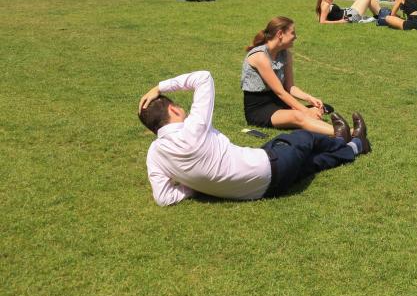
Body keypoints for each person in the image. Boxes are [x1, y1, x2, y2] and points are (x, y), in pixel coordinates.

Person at [137, 70, 369, 206]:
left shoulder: (155, 154)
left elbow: (163, 197)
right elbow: (204, 78)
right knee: (303, 138)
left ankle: (356, 146)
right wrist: (160, 87)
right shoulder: (192, 128)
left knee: (310, 164)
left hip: (263, 190)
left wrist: (195, 185)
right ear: (174, 111)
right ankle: (342, 140)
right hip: (267, 169)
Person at [242, 17, 337, 136]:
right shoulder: (260, 57)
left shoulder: (285, 54)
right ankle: (344, 133)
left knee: (313, 111)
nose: (295, 36)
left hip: (278, 102)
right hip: (260, 108)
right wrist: (305, 111)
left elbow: (290, 87)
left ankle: (338, 128)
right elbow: (280, 92)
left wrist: (310, 98)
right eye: (293, 33)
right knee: (299, 116)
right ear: (280, 34)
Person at [316, 0, 381, 24]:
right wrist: (340, 21)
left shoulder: (321, 4)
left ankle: (379, 16)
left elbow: (320, 18)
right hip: (351, 16)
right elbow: (322, 22)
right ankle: (382, 17)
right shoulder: (326, 5)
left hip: (349, 12)